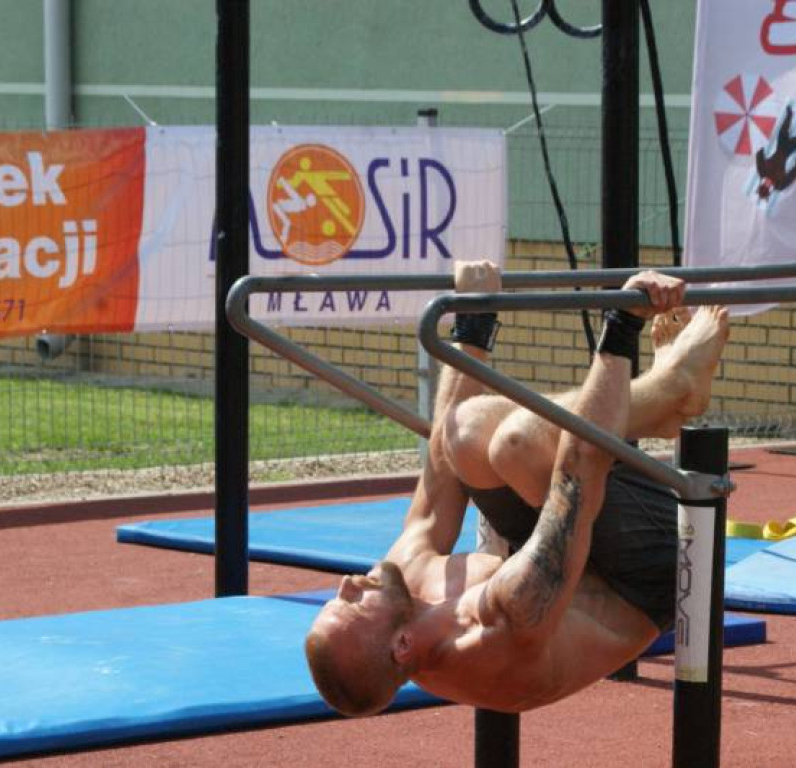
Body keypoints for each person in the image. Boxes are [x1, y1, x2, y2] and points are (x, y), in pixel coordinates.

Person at [305, 261, 729, 717]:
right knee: (519, 443)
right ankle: (674, 386)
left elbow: (440, 466)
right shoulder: (497, 629)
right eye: (351, 604)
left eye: (336, 597)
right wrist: (623, 322)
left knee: (465, 431)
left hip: (571, 552)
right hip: (643, 576)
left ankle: (667, 395)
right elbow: (579, 473)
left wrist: (474, 315)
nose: (345, 585)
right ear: (402, 645)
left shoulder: (402, 589)